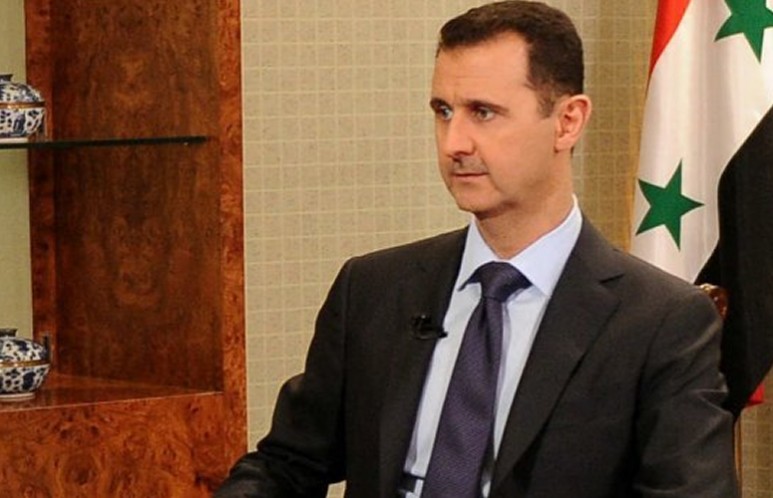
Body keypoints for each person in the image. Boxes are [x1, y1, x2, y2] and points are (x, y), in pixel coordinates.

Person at [215, 2, 739, 497]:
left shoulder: (661, 323)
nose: (453, 143)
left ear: (568, 121)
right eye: (443, 111)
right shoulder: (373, 290)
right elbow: (286, 465)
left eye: (483, 113)